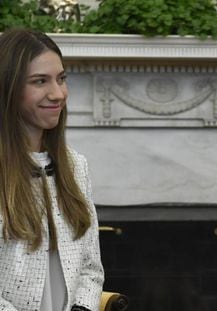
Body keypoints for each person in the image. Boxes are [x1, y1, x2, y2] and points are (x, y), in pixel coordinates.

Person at [0, 28, 104, 310]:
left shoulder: (75, 166)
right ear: (8, 89)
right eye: (40, 81)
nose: (57, 94)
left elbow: (91, 269)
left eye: (61, 79)